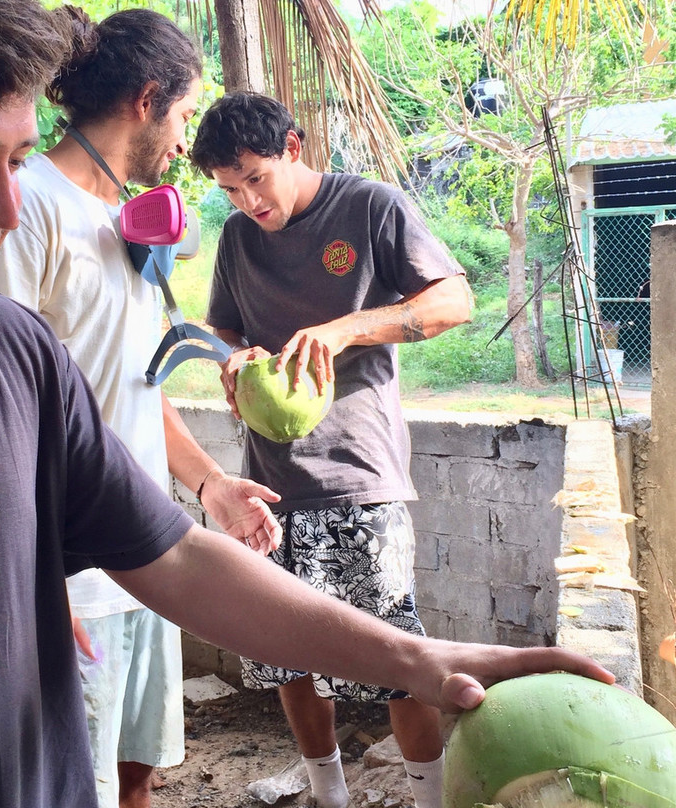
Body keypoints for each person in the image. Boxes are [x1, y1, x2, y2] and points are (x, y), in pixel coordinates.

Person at [0, 2, 615, 806]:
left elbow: (171, 556)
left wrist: (416, 658)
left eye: (16, 159)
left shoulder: (14, 352)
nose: (7, 208)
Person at [0, 9, 281, 807]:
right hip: (71, 576)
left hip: (146, 557)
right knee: (71, 786)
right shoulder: (28, 207)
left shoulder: (127, 218)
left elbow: (131, 383)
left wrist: (209, 484)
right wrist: (31, 580)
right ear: (147, 101)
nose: (186, 141)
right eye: (183, 115)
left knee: (137, 775)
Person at [190, 92, 476, 808]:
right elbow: (222, 329)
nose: (248, 201)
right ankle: (329, 795)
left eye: (256, 178)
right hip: (269, 485)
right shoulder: (238, 238)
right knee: (286, 659)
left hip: (359, 476)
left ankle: (431, 800)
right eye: (230, 189)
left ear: (292, 147)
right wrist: (233, 358)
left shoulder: (371, 207)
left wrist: (346, 328)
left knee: (396, 660)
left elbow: (453, 301)